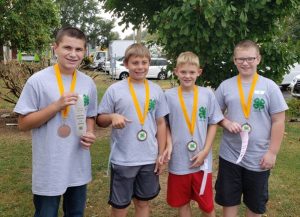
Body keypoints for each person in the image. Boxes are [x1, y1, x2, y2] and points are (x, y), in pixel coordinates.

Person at [14, 27, 98, 217]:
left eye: (79, 49)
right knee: (46, 213)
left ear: (85, 52)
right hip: (49, 166)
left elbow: (90, 115)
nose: (73, 54)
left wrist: (90, 131)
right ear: (55, 48)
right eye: (67, 47)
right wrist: (55, 107)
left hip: (78, 165)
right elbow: (23, 124)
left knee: (76, 213)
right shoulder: (38, 81)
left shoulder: (88, 83)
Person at [214, 40, 288, 217]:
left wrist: (272, 152)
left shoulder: (270, 87)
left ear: (258, 59)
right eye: (240, 59)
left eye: (250, 58)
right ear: (234, 60)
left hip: (259, 157)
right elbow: (215, 113)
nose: (245, 63)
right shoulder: (226, 86)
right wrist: (226, 123)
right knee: (229, 200)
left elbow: (279, 121)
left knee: (255, 205)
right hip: (230, 156)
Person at [96, 43, 169, 217]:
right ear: (126, 64)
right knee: (120, 206)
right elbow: (100, 119)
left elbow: (160, 123)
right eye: (135, 63)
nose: (140, 67)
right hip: (123, 159)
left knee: (143, 203)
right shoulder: (115, 90)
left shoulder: (156, 90)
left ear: (149, 63)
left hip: (148, 158)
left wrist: (160, 154)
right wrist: (112, 117)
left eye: (144, 62)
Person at [163, 51, 224, 217]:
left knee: (207, 206)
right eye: (183, 72)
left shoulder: (207, 94)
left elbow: (213, 123)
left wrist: (205, 151)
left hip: (202, 162)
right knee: (182, 203)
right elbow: (164, 124)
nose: (187, 76)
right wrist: (168, 144)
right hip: (178, 161)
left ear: (199, 72)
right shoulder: (168, 96)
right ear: (176, 71)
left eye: (191, 72)